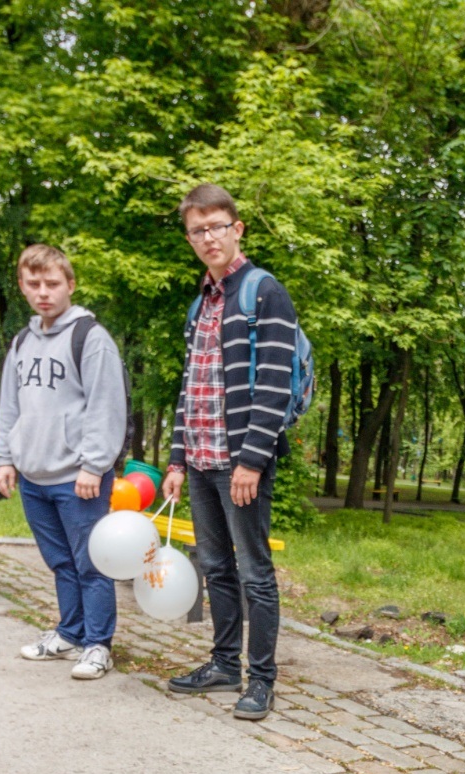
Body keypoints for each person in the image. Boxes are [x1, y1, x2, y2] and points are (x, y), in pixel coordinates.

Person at [159, 183, 302, 723]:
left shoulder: (264, 292)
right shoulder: (200, 303)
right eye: (197, 230)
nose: (208, 238)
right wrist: (176, 460)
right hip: (199, 460)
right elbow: (189, 388)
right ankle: (223, 665)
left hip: (240, 461)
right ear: (189, 237)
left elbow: (274, 384)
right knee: (215, 566)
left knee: (254, 572)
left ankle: (261, 679)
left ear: (236, 228)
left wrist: (252, 460)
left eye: (217, 226)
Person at [0, 244, 128, 678]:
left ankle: (98, 644)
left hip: (78, 477)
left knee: (92, 563)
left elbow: (106, 406)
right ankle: (70, 634)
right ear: (22, 286)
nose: (43, 292)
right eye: (34, 284)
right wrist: (3, 458)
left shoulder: (91, 338)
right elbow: (9, 406)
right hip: (34, 476)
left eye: (52, 283)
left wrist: (94, 464)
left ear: (70, 284)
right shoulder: (22, 341)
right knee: (61, 562)